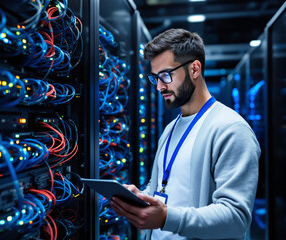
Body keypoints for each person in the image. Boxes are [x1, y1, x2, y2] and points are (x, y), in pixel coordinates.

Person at [110, 28, 261, 240]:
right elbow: (169, 189)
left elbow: (236, 217)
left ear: (195, 69)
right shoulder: (171, 129)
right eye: (155, 78)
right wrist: (141, 197)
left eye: (166, 75)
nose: (160, 87)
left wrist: (166, 218)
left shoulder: (231, 129)